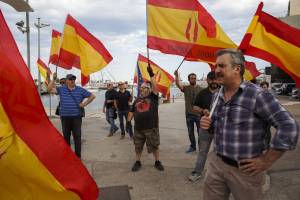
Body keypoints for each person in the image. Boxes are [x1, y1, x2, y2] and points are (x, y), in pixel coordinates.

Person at [200, 49, 299, 200]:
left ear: (237, 69)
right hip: (216, 164)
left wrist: (267, 160)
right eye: (216, 66)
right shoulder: (217, 95)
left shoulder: (258, 95)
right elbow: (222, 128)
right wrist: (209, 124)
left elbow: (289, 126)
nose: (216, 70)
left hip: (245, 171)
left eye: (221, 66)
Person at [47, 73, 96, 158]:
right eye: (70, 79)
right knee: (66, 137)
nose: (72, 80)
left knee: (77, 136)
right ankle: (68, 156)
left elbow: (92, 96)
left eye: (73, 79)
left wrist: (84, 104)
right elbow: (49, 89)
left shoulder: (80, 90)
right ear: (66, 81)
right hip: (65, 117)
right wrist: (53, 79)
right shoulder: (61, 89)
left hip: (76, 117)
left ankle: (77, 157)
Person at [127, 64, 164, 172]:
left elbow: (155, 87)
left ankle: (157, 161)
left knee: (154, 146)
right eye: (141, 88)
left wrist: (151, 74)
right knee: (138, 146)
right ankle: (138, 161)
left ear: (149, 89)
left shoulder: (153, 97)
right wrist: (128, 121)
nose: (142, 89)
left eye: (144, 88)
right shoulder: (137, 99)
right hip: (138, 129)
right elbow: (132, 111)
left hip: (151, 128)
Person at [188, 71, 219, 182]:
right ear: (208, 80)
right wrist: (203, 110)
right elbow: (195, 107)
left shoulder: (222, 93)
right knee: (203, 151)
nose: (214, 82)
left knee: (219, 152)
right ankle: (197, 172)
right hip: (205, 127)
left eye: (215, 79)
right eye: (211, 79)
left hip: (219, 128)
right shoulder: (202, 93)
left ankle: (218, 175)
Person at [174, 70, 202, 153]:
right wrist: (176, 76)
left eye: (195, 78)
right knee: (190, 132)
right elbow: (178, 85)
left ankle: (201, 147)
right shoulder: (186, 88)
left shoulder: (200, 89)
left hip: (198, 115)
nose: (194, 79)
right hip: (189, 114)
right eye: (192, 78)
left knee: (200, 133)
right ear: (189, 80)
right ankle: (193, 146)